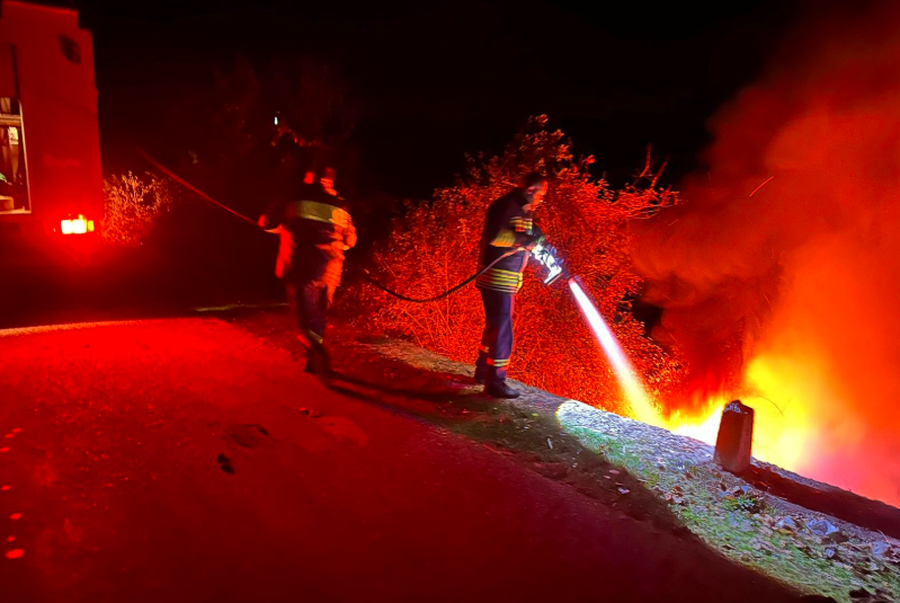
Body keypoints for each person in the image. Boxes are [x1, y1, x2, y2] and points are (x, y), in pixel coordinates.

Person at [259, 165, 357, 375]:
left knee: (302, 318)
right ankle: (312, 362)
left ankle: (320, 355)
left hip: (302, 266)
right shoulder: (342, 207)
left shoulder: (293, 198)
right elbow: (350, 241)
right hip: (331, 270)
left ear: (309, 179)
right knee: (318, 316)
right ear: (330, 182)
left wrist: (284, 228)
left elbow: (266, 223)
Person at [474, 172, 548, 398]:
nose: (541, 200)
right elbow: (497, 236)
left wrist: (537, 236)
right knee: (503, 327)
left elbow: (524, 235)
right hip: (498, 277)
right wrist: (525, 241)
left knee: (496, 324)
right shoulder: (507, 206)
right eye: (541, 195)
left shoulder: (520, 210)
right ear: (530, 190)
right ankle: (496, 381)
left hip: (504, 278)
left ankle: (483, 370)